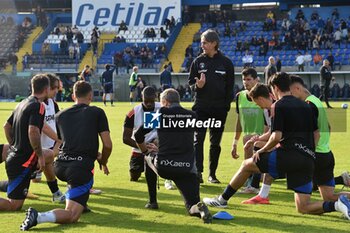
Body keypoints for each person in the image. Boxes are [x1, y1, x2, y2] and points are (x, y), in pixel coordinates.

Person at [203, 72, 350, 220]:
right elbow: (316, 132)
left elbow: (276, 136)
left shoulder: (278, 105)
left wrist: (262, 149)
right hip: (308, 160)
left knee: (247, 165)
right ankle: (338, 205)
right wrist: (309, 152)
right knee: (303, 207)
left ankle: (222, 200)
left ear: (275, 87)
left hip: (289, 155)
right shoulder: (304, 105)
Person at [20, 81, 112, 230]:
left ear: (73, 96)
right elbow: (107, 145)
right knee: (72, 215)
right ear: (90, 96)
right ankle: (39, 217)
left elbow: (69, 142)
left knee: (76, 181)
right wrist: (103, 159)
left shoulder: (60, 115)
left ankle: (81, 202)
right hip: (79, 170)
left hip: (60, 167)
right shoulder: (97, 112)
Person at [134, 88, 212, 223]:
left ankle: (152, 201)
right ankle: (199, 208)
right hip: (186, 167)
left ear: (164, 102)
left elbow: (138, 135)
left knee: (148, 158)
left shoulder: (161, 112)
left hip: (165, 165)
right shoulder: (192, 115)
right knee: (191, 205)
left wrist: (146, 151)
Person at [0, 74, 59, 211]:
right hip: (22, 162)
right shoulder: (39, 106)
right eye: (52, 88)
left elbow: (7, 126)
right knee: (14, 205)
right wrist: (39, 156)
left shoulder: (23, 103)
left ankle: (56, 192)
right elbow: (33, 131)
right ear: (46, 89)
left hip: (22, 157)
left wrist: (14, 146)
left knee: (49, 155)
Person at [188, 29, 235, 184]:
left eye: (205, 42)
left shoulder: (226, 63)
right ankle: (198, 172)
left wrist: (226, 106)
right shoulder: (197, 62)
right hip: (201, 108)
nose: (202, 45)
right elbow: (190, 85)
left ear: (214, 43)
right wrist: (197, 85)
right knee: (198, 139)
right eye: (201, 42)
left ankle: (212, 174)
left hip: (219, 109)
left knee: (215, 143)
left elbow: (230, 87)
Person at [122, 86, 175, 189]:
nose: (149, 104)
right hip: (139, 148)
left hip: (158, 147)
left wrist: (160, 141)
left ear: (156, 97)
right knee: (134, 176)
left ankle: (169, 177)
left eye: (151, 101)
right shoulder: (133, 113)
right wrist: (142, 145)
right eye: (146, 101)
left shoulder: (162, 109)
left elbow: (172, 131)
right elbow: (125, 138)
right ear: (142, 98)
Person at [232, 68, 266, 194]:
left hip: (261, 138)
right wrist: (234, 142)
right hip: (247, 139)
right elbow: (239, 120)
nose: (246, 82)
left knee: (254, 165)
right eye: (244, 79)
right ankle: (253, 184)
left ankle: (254, 187)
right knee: (250, 166)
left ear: (256, 80)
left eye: (249, 79)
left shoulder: (264, 96)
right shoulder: (239, 96)